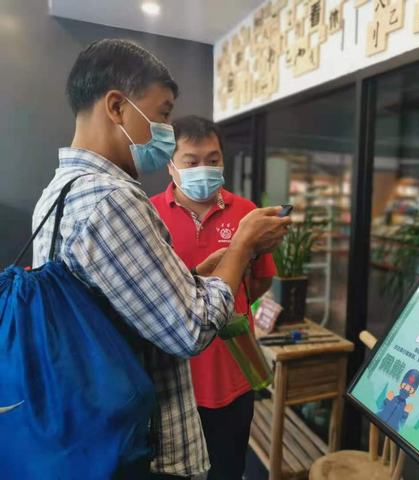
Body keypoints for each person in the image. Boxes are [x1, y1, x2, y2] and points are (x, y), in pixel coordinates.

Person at [31, 39, 290, 479]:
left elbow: (116, 305)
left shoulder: (59, 192)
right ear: (117, 106)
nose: (166, 127)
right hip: (136, 437)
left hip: (91, 424)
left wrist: (189, 278)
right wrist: (242, 247)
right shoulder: (113, 200)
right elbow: (190, 329)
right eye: (164, 112)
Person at [150, 116, 275, 480]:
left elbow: (260, 281)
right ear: (171, 165)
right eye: (191, 161)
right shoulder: (149, 214)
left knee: (228, 469)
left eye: (213, 159)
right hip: (171, 380)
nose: (203, 169)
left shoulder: (247, 213)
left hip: (234, 374)